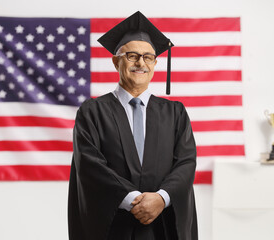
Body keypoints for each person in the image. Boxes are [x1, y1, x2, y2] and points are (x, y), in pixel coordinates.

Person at [68, 11, 197, 240]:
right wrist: (132, 201)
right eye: (132, 56)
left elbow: (185, 163)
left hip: (162, 226)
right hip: (113, 226)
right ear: (116, 61)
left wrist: (161, 198)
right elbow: (89, 165)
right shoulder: (92, 112)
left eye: (148, 57)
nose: (141, 63)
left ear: (155, 63)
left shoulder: (175, 113)